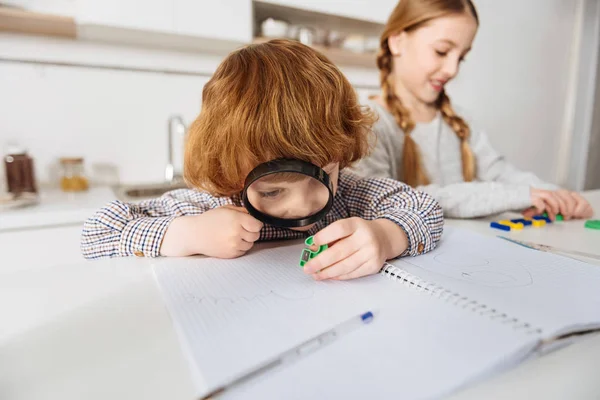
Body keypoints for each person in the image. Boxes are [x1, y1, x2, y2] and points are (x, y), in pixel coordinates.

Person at [81, 39, 443, 281]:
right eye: (272, 192)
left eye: (324, 175)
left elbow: (423, 206)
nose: (304, 205)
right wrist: (186, 234)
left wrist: (385, 236)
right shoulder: (209, 207)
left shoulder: (348, 194)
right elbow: (97, 232)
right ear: (232, 174)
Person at [352, 0, 594, 220]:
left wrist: (556, 195)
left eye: (461, 58)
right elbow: (386, 199)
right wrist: (515, 196)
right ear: (397, 41)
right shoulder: (367, 122)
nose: (452, 70)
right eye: (442, 52)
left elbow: (499, 172)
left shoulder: (459, 120)